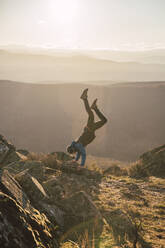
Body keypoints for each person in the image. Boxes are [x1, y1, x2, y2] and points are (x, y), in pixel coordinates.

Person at [67, 88, 107, 166]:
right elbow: (79, 153)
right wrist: (75, 161)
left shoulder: (78, 146)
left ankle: (85, 99)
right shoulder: (76, 145)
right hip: (91, 129)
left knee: (91, 115)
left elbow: (83, 154)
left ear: (73, 150)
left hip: (90, 128)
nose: (76, 153)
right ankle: (94, 107)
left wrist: (81, 165)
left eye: (73, 152)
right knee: (104, 120)